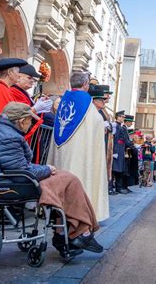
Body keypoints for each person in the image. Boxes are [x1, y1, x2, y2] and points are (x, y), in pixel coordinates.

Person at [0, 102, 103, 254]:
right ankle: (78, 232)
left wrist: (45, 169)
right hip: (12, 184)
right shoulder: (9, 137)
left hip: (5, 179)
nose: (31, 123)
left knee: (66, 179)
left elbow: (17, 166)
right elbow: (20, 171)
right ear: (21, 121)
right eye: (30, 120)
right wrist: (46, 169)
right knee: (69, 180)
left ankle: (69, 233)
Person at [47, 72, 109, 221]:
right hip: (80, 156)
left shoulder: (63, 101)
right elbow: (96, 124)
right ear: (86, 85)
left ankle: (59, 221)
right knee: (80, 183)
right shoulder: (87, 104)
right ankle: (80, 221)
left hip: (62, 157)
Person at [112, 110, 133, 194]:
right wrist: (114, 151)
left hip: (121, 150)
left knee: (120, 170)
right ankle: (112, 188)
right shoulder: (116, 126)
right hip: (117, 150)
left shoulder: (120, 127)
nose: (123, 119)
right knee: (115, 170)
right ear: (118, 117)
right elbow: (116, 140)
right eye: (122, 117)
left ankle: (118, 187)